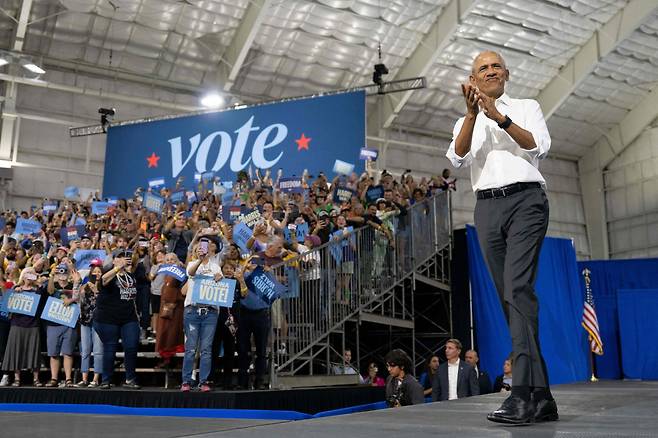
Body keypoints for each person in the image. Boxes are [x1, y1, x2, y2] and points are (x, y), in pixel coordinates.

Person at [446, 50, 557, 424]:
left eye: (496, 66)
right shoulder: (469, 118)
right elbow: (458, 157)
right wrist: (475, 114)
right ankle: (543, 397)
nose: (490, 71)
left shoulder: (527, 106)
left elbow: (537, 146)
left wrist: (501, 117)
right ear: (473, 80)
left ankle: (522, 393)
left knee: (517, 290)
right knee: (511, 301)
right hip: (486, 208)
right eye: (482, 69)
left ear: (506, 74)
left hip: (526, 201)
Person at [94, 249, 141, 389]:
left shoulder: (131, 276)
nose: (122, 259)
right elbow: (103, 281)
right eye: (119, 257)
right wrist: (117, 268)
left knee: (132, 346)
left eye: (124, 257)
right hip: (108, 318)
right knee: (110, 348)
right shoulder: (108, 273)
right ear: (113, 260)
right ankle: (106, 380)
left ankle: (130, 379)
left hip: (128, 317)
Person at [181, 238, 222, 392]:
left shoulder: (216, 266)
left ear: (210, 250)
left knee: (206, 349)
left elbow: (220, 284)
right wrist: (199, 260)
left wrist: (220, 278)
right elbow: (190, 273)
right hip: (192, 310)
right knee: (191, 348)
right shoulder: (192, 264)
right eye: (199, 248)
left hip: (210, 312)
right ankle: (186, 381)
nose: (201, 250)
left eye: (204, 248)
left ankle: (203, 381)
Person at [75, 260, 104, 387]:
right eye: (94, 271)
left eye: (99, 271)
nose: (96, 273)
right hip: (85, 321)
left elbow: (106, 301)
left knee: (97, 351)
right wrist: (77, 283)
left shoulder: (105, 286)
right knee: (85, 350)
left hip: (99, 321)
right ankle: (84, 378)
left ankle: (96, 378)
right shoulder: (85, 285)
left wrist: (97, 290)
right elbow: (77, 297)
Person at [155, 253, 185, 366]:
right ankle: (165, 358)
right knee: (164, 332)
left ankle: (175, 361)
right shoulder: (165, 275)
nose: (170, 261)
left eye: (172, 259)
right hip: (165, 308)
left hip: (176, 308)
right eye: (167, 259)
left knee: (173, 333)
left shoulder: (181, 273)